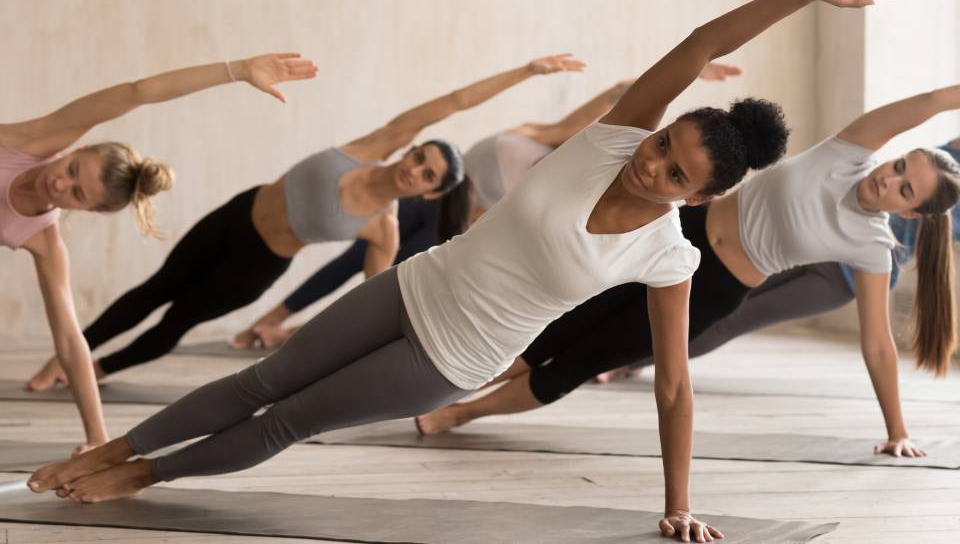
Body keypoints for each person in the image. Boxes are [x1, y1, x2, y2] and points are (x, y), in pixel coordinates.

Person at [26, 0, 904, 542]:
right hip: (414, 288)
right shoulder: (609, 139)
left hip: (451, 360)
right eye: (663, 143)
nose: (653, 164)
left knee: (286, 422)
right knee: (262, 381)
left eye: (674, 173)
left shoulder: (669, 257)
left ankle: (142, 476)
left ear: (700, 197)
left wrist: (679, 503)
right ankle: (115, 449)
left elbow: (673, 381)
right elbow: (702, 46)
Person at [415, 53, 960, 461]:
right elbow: (935, 99)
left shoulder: (873, 248)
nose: (888, 180)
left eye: (904, 189)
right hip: (671, 238)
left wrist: (897, 431)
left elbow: (875, 344)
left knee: (576, 364)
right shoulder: (851, 150)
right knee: (553, 321)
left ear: (908, 214)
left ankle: (457, 417)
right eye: (899, 165)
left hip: (716, 288)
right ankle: (443, 385)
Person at [26, 54, 582, 382]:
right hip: (236, 214)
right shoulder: (373, 144)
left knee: (176, 322)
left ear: (433, 194)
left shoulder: (382, 228)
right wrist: (527, 71)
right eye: (420, 157)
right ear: (409, 152)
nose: (416, 170)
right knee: (154, 289)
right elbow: (456, 101)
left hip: (256, 267)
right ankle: (62, 362)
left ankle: (93, 373)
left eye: (428, 175)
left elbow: (371, 303)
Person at [234, 64, 741, 350]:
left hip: (455, 223)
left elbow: (512, 230)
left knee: (383, 272)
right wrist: (682, 71)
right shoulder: (549, 138)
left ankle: (293, 332)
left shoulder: (567, 183)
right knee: (355, 255)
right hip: (434, 193)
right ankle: (275, 319)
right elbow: (614, 102)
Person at [6, 53, 315, 453]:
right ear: (75, 148)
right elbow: (138, 93)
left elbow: (70, 342)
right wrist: (236, 71)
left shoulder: (43, 240)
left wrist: (97, 437)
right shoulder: (34, 140)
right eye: (71, 169)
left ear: (89, 210)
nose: (59, 184)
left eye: (77, 193)